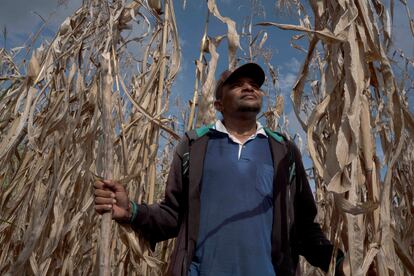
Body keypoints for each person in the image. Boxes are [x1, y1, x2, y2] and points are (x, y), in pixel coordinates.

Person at [94, 63, 345, 276]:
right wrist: (131, 212)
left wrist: (341, 264)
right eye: (237, 84)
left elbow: (302, 227)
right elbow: (173, 215)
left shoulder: (284, 151)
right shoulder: (194, 145)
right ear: (218, 103)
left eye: (254, 85)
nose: (249, 87)